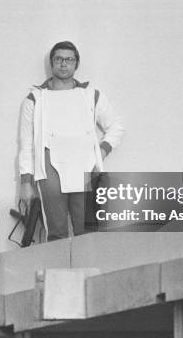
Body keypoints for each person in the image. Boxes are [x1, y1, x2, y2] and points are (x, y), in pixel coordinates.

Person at [19, 41, 124, 241]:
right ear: (52, 63)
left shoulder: (91, 95)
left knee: (88, 233)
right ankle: (57, 272)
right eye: (58, 59)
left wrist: (100, 151)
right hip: (50, 168)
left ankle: (90, 272)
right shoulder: (35, 99)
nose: (64, 64)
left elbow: (116, 126)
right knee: (57, 233)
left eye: (69, 59)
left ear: (76, 64)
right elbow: (26, 144)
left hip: (85, 165)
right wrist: (25, 182)